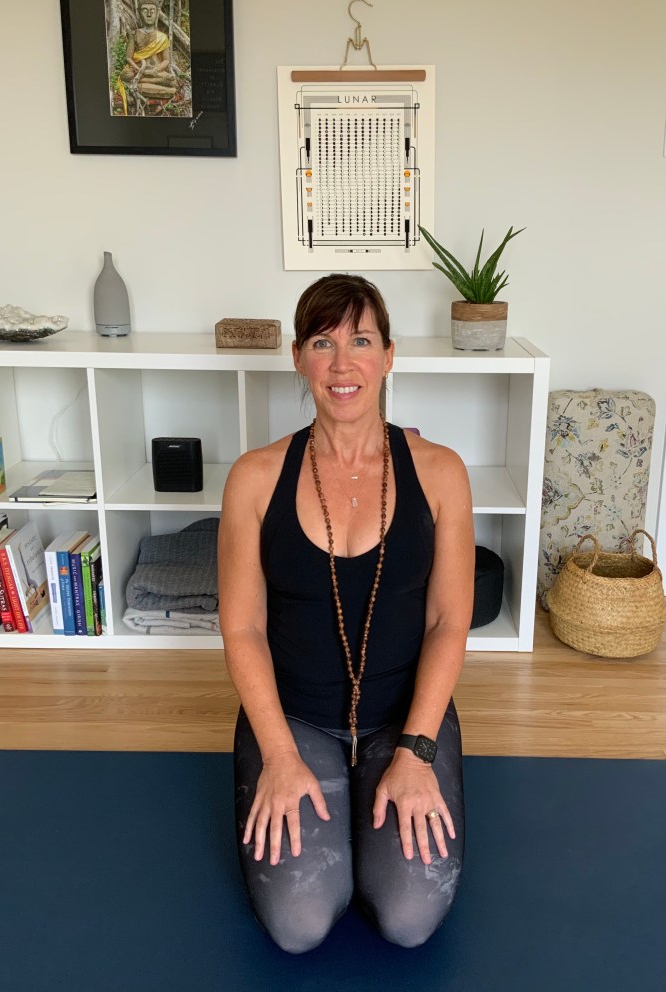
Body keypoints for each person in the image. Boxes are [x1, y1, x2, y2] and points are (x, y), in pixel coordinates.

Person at [218, 273, 475, 954]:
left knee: (409, 917)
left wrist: (417, 751)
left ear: (388, 355)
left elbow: (449, 622)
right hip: (296, 720)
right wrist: (277, 754)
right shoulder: (254, 477)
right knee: (298, 924)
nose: (342, 364)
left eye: (360, 341)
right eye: (322, 343)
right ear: (298, 357)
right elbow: (241, 627)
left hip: (403, 718)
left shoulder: (442, 472)